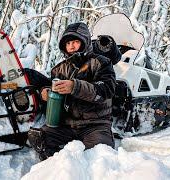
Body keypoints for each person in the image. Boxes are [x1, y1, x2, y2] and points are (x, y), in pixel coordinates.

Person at [28, 22, 121, 160]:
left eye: (76, 41)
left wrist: (75, 87)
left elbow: (105, 90)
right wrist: (45, 92)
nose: (71, 45)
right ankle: (55, 170)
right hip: (67, 126)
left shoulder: (101, 62)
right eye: (68, 43)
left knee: (101, 156)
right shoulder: (58, 69)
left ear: (85, 41)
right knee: (39, 137)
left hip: (95, 125)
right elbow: (52, 88)